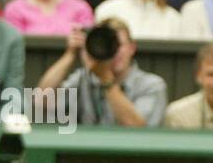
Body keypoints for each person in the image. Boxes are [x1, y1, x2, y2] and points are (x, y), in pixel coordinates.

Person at [35, 17, 167, 128]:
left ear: (132, 48)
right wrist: (70, 55)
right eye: (109, 46)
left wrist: (106, 80)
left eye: (118, 45)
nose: (114, 53)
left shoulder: (152, 85)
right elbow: (41, 101)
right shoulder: (84, 78)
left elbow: (138, 129)